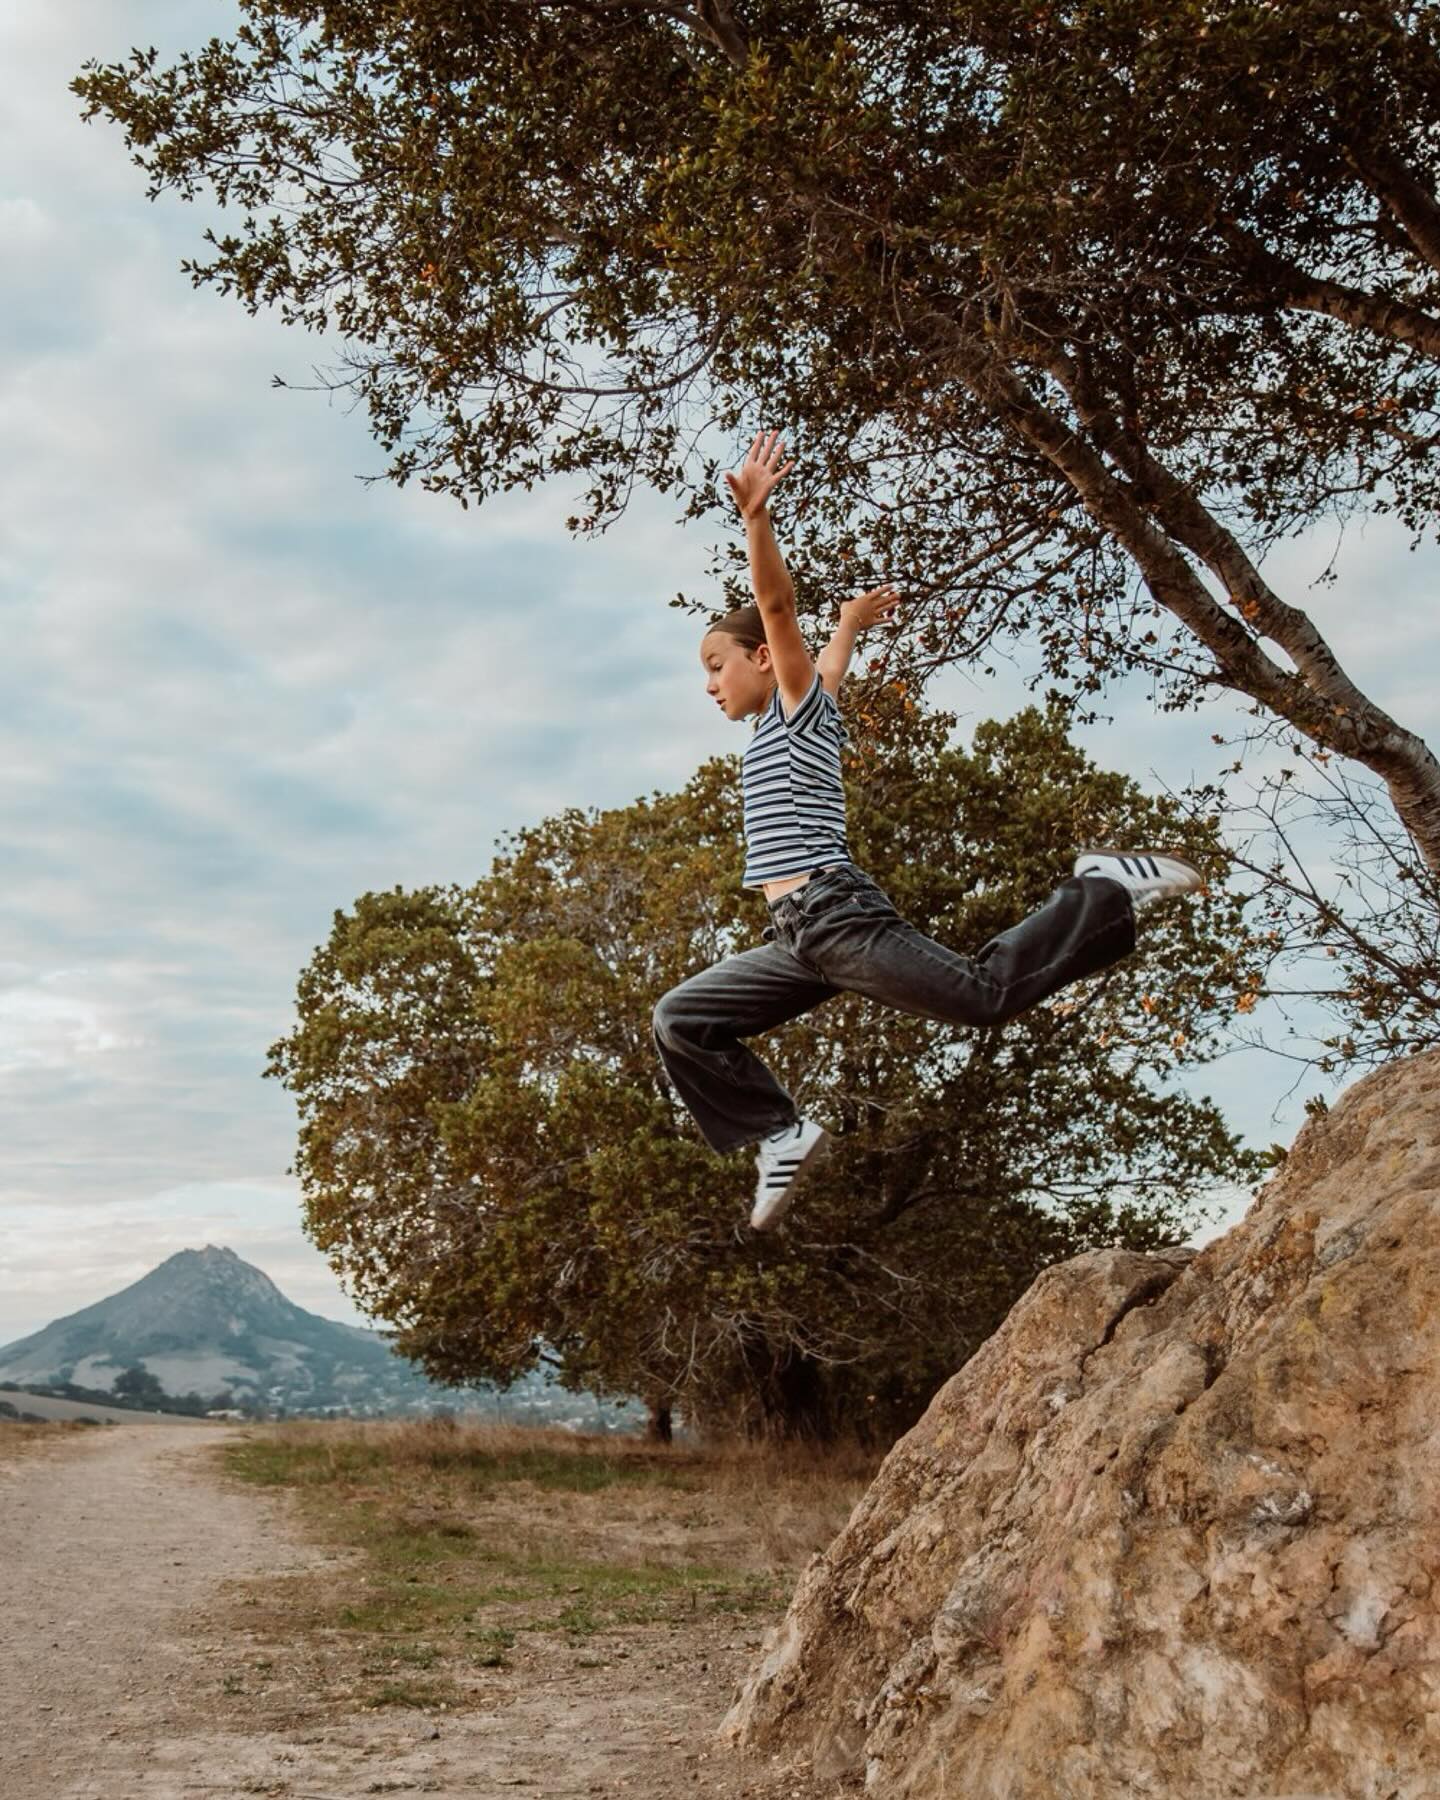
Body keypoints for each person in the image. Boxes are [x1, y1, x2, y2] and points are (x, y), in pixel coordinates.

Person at [652, 429, 1203, 1232]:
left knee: (984, 996)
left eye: (716, 664)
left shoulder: (796, 709)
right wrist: (850, 623)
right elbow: (829, 664)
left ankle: (1103, 884)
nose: (709, 684)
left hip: (835, 917)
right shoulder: (798, 713)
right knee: (681, 1019)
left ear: (764, 660)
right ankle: (781, 1131)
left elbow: (776, 609)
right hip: (796, 940)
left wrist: (757, 521)